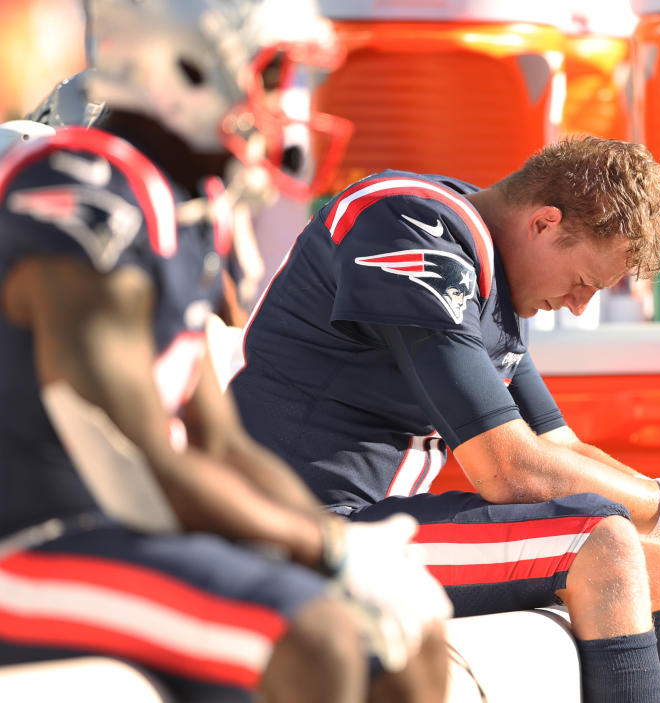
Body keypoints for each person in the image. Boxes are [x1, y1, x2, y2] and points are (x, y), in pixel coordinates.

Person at [228, 135, 660, 702]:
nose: (579, 306)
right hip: (299, 532)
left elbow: (561, 448)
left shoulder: (485, 262)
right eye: (583, 283)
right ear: (544, 223)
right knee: (603, 543)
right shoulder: (405, 223)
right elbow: (508, 469)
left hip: (366, 520)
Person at [0, 1, 451, 702]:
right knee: (317, 634)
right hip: (29, 541)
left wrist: (341, 544)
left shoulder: (181, 204)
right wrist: (325, 551)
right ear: (181, 66)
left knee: (409, 628)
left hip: (116, 530)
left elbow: (221, 442)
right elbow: (142, 457)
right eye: (271, 75)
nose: (282, 101)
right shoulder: (84, 196)